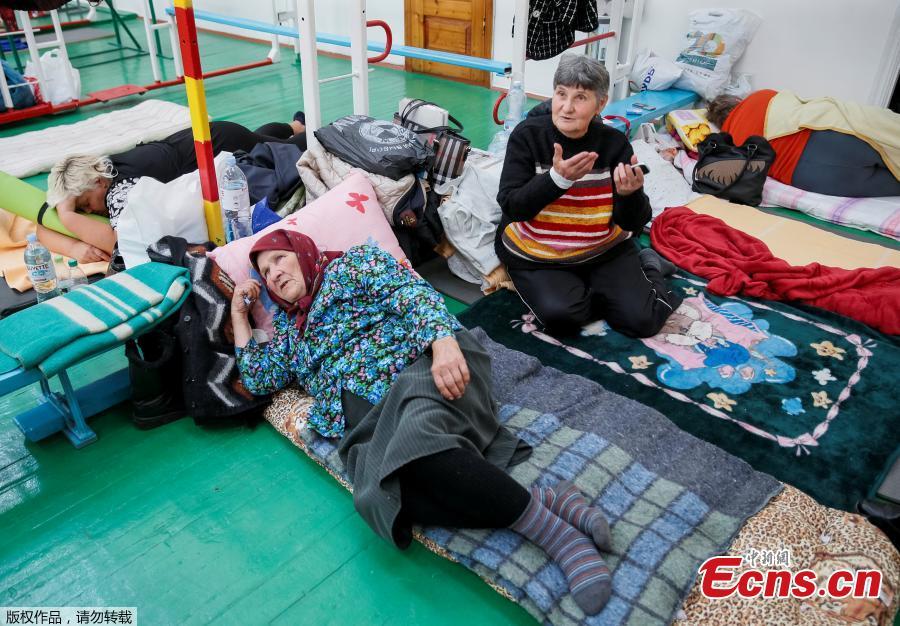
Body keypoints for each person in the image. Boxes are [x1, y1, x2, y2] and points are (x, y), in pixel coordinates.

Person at [231, 230, 615, 615]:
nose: (274, 273)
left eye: (279, 258)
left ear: (303, 251)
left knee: (418, 450)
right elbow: (258, 378)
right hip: (371, 425)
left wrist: (442, 342)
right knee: (382, 500)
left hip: (423, 370)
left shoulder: (351, 265)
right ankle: (548, 500)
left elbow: (409, 293)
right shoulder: (288, 332)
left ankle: (561, 538)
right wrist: (238, 314)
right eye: (265, 272)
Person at [496, 54, 681, 337]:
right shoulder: (527, 136)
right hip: (539, 252)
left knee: (641, 322)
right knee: (563, 316)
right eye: (561, 94)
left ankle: (649, 264)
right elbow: (512, 206)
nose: (567, 108)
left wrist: (629, 195)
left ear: (601, 103)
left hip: (603, 248)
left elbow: (634, 221)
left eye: (580, 97)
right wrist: (556, 180)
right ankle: (598, 291)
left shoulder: (614, 144)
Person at [39, 116, 308, 263]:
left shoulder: (118, 189)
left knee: (295, 150)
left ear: (98, 182)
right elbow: (40, 219)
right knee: (265, 139)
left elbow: (121, 244)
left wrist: (68, 217)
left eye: (85, 203)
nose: (89, 210)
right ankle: (296, 123)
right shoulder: (107, 164)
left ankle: (311, 131)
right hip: (214, 136)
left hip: (218, 148)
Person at [707, 90, 900, 198]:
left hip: (812, 178)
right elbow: (795, 105)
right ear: (738, 99)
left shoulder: (730, 144)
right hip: (827, 141)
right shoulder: (759, 96)